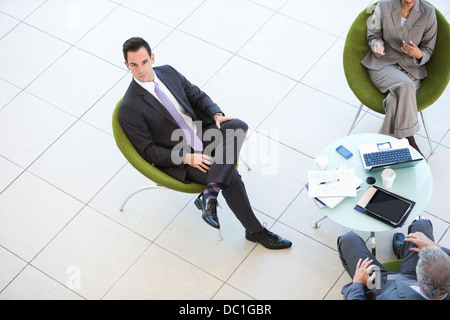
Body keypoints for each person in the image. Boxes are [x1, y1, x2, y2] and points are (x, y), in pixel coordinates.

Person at [118, 37, 291, 250]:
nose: (141, 70)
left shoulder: (168, 72)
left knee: (238, 126)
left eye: (144, 62)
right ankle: (255, 232)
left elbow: (196, 96)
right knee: (232, 177)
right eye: (134, 65)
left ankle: (210, 193)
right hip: (182, 156)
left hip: (202, 133)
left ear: (152, 58)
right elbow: (148, 151)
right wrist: (187, 158)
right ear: (127, 66)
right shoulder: (129, 107)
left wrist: (216, 114)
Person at [361, 0, 438, 155]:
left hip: (411, 68)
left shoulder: (429, 13)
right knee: (406, 86)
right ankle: (409, 140)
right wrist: (377, 45)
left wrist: (420, 54)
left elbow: (428, 49)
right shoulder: (383, 5)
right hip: (383, 64)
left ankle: (384, 148)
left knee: (394, 100)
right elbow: (373, 34)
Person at [338, 218, 450, 300]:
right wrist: (434, 246)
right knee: (422, 225)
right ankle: (403, 251)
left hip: (380, 287)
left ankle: (404, 251)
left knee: (348, 240)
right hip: (411, 277)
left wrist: (357, 283)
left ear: (420, 283)